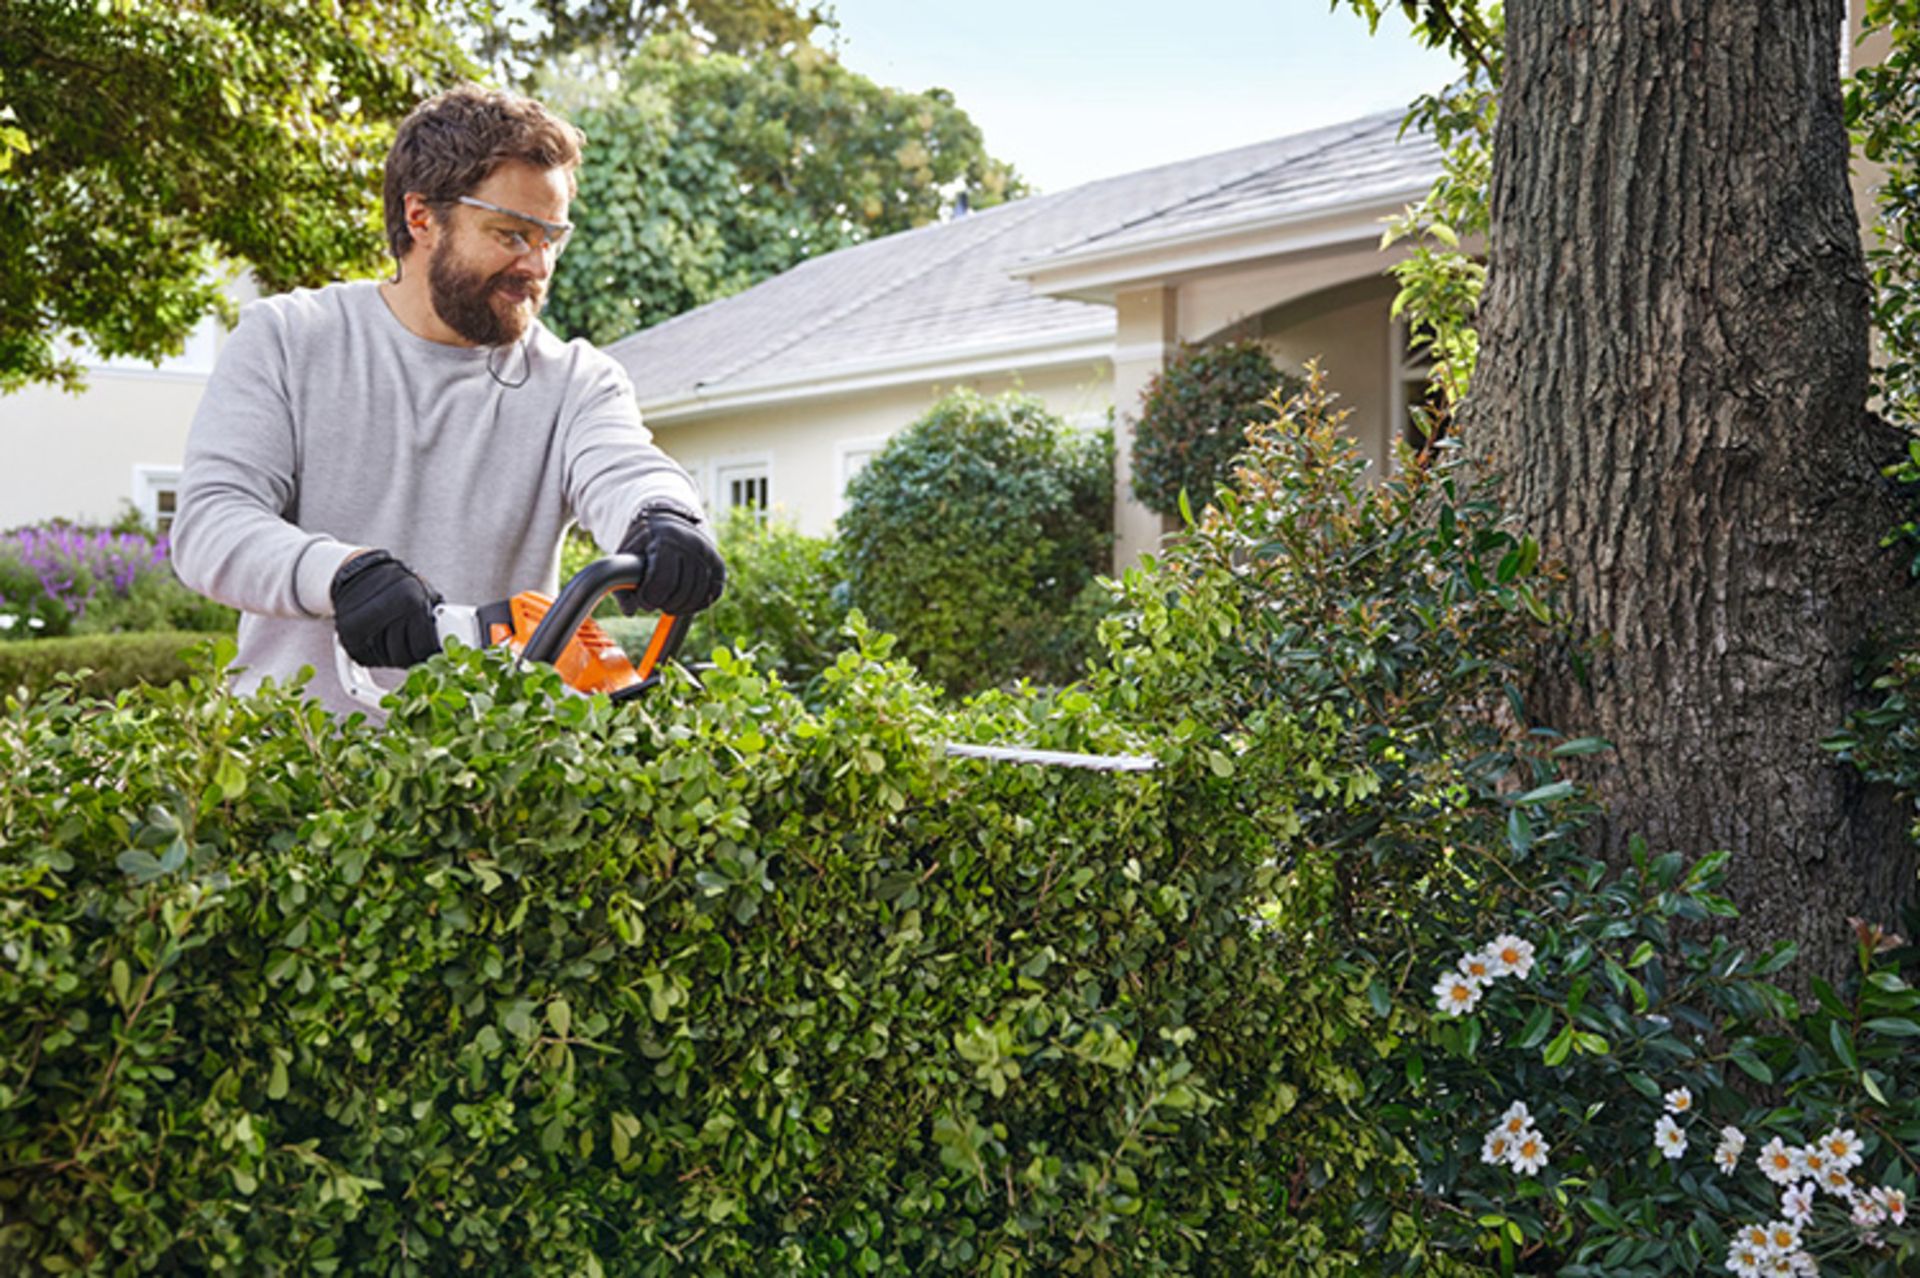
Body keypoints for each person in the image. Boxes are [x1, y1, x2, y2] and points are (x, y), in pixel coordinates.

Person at [172, 85, 723, 717]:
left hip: (489, 776)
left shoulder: (574, 379)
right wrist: (342, 575)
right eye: (512, 234)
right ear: (421, 217)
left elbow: (626, 466)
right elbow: (211, 525)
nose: (538, 266)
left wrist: (666, 517)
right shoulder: (290, 340)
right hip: (295, 768)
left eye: (552, 238)